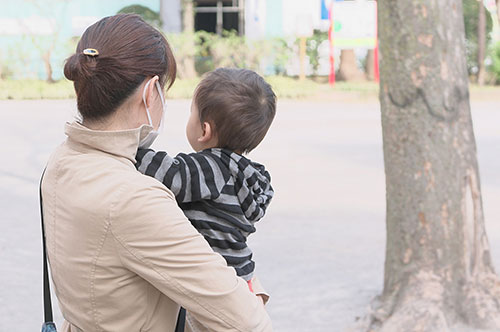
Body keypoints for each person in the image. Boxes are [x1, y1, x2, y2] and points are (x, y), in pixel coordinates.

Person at [41, 14, 272, 332]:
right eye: (165, 91)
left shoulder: (61, 161)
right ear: (150, 92)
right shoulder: (134, 197)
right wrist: (251, 289)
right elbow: (248, 323)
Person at [136, 68, 276, 294]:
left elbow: (169, 174)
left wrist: (129, 149)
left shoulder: (211, 169)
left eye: (192, 112)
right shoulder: (249, 174)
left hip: (216, 280)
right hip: (241, 275)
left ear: (204, 130)